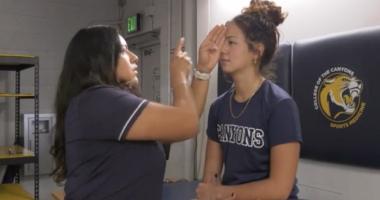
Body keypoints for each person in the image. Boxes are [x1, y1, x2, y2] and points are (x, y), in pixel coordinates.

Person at [49, 25, 226, 200]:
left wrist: (203, 70)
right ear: (98, 60)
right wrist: (179, 78)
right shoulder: (99, 100)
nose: (134, 58)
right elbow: (188, 123)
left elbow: (185, 120)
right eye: (124, 51)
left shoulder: (96, 102)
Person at [195, 0, 303, 200]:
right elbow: (212, 176)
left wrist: (220, 193)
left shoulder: (280, 106)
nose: (222, 50)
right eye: (223, 42)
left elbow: (279, 189)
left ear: (256, 51)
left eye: (232, 43)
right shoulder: (219, 107)